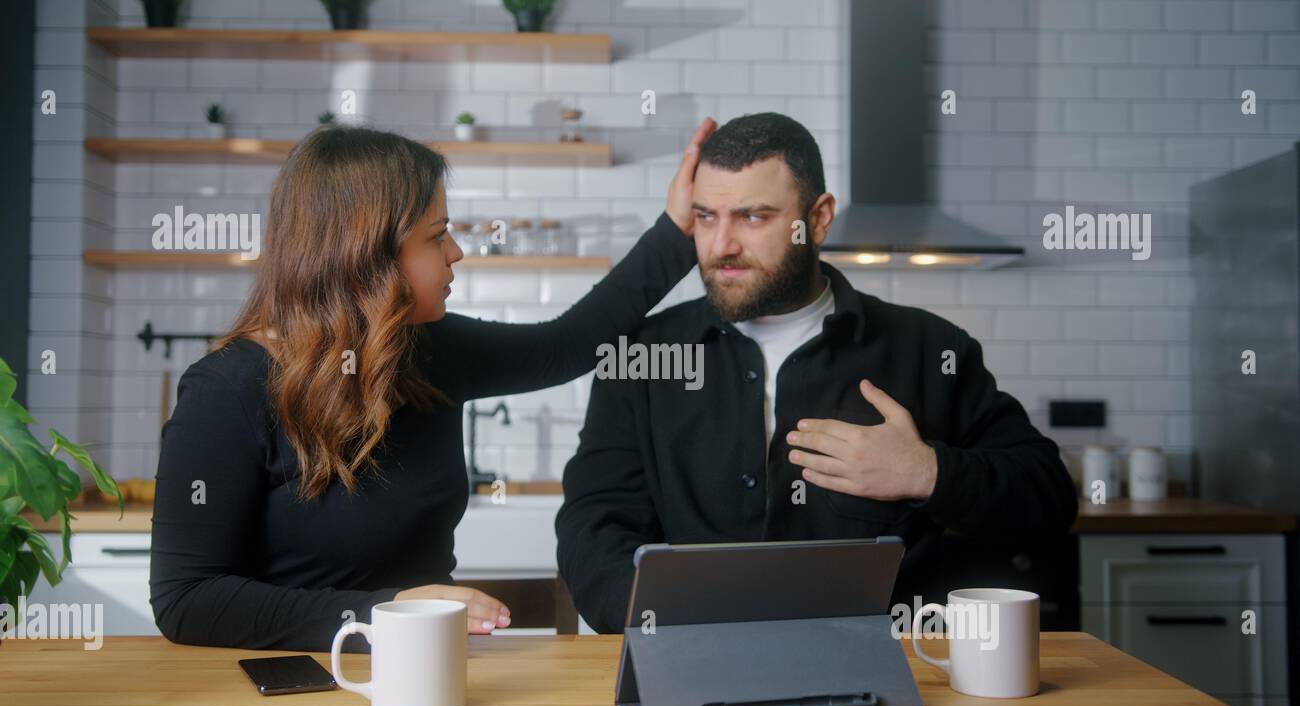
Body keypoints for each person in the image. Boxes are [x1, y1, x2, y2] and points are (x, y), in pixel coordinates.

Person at [149, 118, 717, 651]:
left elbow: (567, 345)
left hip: (426, 673)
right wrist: (385, 613)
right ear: (366, 254)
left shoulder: (429, 352)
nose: (456, 252)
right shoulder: (228, 391)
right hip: (289, 690)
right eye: (437, 235)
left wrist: (677, 232)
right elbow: (187, 600)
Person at [556, 113, 1078, 633]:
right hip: (688, 656)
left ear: (819, 218)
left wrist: (927, 473)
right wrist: (654, 621)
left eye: (753, 217)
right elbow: (593, 522)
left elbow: (1048, 499)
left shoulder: (930, 350)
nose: (721, 246)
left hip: (889, 679)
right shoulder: (641, 357)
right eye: (706, 217)